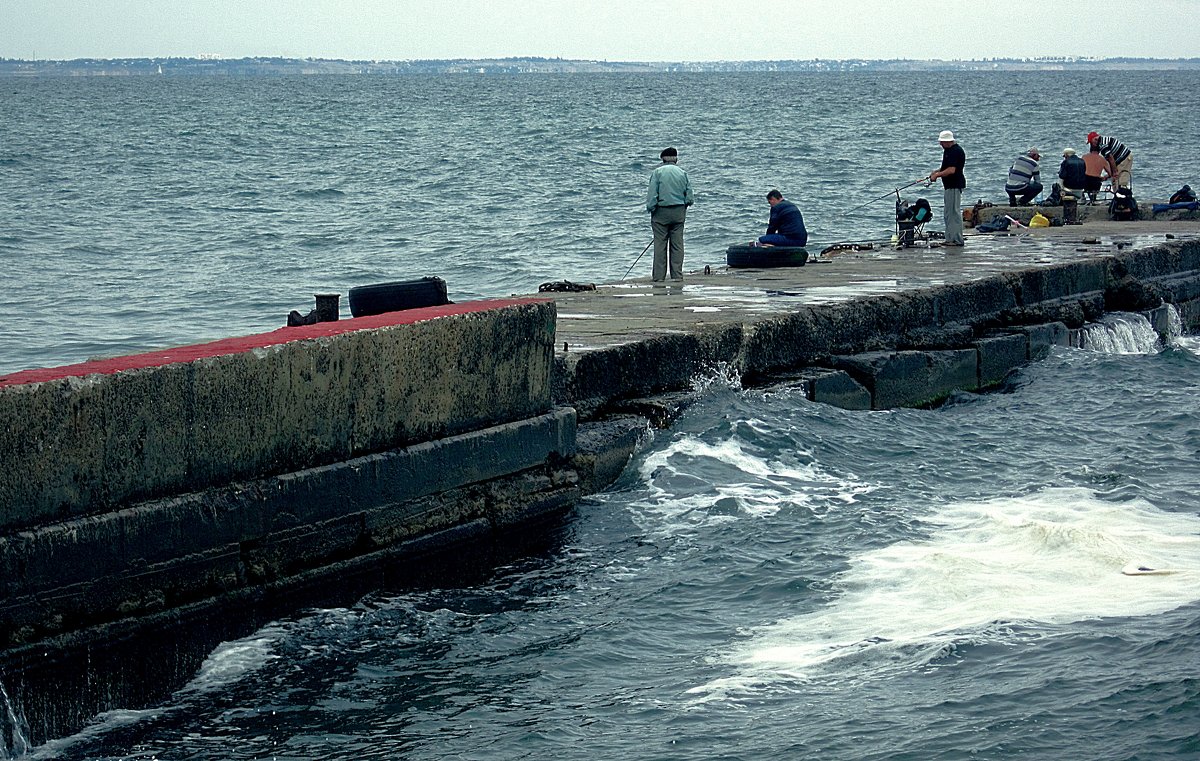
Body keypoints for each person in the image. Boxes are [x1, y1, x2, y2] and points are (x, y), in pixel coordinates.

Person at [645, 147, 694, 282]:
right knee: (677, 246)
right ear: (676, 159)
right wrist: (684, 205)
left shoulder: (657, 173)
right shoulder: (682, 173)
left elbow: (652, 196)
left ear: (662, 159)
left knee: (660, 246)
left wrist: (651, 209)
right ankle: (677, 276)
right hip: (678, 212)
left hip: (661, 212)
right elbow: (689, 197)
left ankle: (659, 277)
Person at [928, 129, 965, 246]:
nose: (940, 144)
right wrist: (936, 172)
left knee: (954, 213)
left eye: (942, 142)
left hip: (954, 185)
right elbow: (945, 167)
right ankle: (950, 239)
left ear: (949, 141)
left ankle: (957, 240)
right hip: (949, 186)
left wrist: (937, 175)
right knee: (948, 213)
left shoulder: (955, 151)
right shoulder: (948, 151)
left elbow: (951, 170)